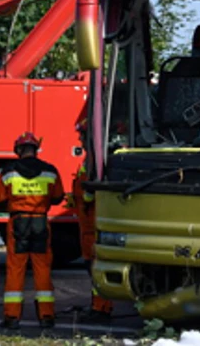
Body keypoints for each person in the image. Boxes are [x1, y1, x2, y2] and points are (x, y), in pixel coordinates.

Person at [0, 132, 64, 329]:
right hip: (40, 222)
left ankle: (12, 317)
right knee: (42, 269)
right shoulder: (50, 171)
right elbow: (58, 197)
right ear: (35, 149)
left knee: (16, 269)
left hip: (18, 222)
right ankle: (47, 316)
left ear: (18, 150)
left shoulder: (8, 172)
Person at [71, 118, 113, 322]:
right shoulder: (93, 158)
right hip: (89, 224)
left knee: (96, 267)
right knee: (94, 267)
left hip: (92, 224)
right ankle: (99, 306)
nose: (79, 139)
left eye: (82, 135)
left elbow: (89, 191)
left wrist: (84, 197)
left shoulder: (94, 161)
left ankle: (101, 308)